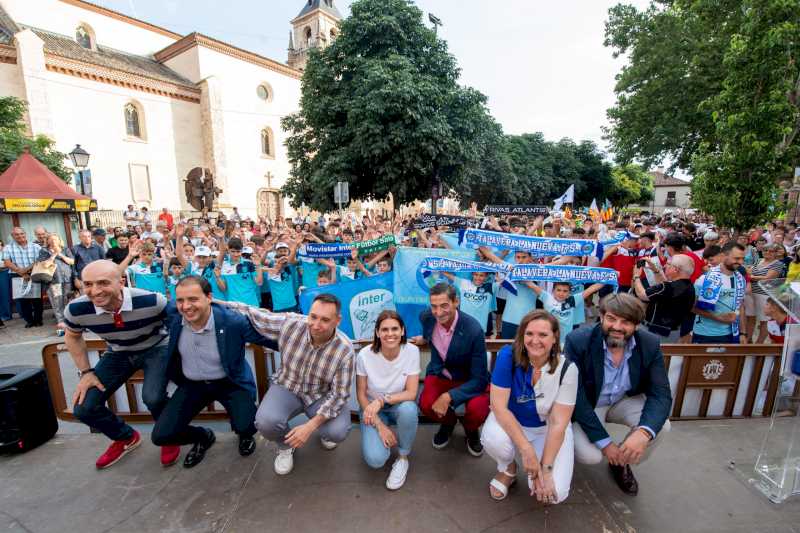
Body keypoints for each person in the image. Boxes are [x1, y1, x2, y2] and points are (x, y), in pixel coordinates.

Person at [150, 276, 277, 468]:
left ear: (209, 297)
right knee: (162, 435)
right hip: (193, 385)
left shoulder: (232, 322)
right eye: (181, 300)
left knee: (248, 424)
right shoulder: (173, 317)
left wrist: (315, 342)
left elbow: (269, 339)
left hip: (230, 382)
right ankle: (203, 437)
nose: (186, 306)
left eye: (193, 299)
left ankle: (243, 435)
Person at [222, 294, 355, 476]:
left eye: (325, 320)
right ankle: (285, 446)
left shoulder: (345, 350)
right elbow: (255, 313)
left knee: (337, 432)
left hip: (319, 395)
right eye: (313, 316)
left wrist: (309, 427)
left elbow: (340, 395)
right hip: (287, 386)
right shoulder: (291, 323)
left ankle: (324, 433)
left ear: (337, 321)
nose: (316, 325)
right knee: (265, 422)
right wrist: (213, 302)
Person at [63, 260, 176, 468]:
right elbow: (72, 336)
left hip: (156, 347)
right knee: (83, 408)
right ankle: (125, 437)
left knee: (153, 397)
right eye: (87, 284)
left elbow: (177, 326)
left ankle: (169, 435)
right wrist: (86, 372)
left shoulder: (152, 300)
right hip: (118, 352)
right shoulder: (76, 309)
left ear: (121, 282)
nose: (94, 291)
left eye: (103, 283)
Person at [565, 293, 672, 496]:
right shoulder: (578, 341)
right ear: (602, 316)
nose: (617, 327)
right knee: (590, 456)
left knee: (661, 427)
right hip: (591, 403)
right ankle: (573, 451)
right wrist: (605, 444)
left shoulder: (649, 343)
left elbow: (661, 394)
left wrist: (643, 433)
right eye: (611, 319)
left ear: (637, 325)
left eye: (626, 322)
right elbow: (576, 397)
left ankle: (621, 463)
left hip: (625, 399)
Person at [481, 310, 578, 504]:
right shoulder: (508, 355)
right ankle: (508, 469)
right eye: (529, 334)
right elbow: (498, 406)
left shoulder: (567, 368)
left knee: (554, 493)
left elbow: (559, 423)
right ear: (522, 335)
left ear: (555, 337)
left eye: (543, 335)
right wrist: (527, 450)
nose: (535, 340)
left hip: (547, 429)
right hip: (513, 420)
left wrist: (546, 468)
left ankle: (543, 464)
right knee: (494, 438)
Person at [413, 282, 490, 456]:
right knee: (426, 405)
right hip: (440, 373)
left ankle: (471, 429)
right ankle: (448, 422)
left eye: (444, 306)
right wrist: (425, 339)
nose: (438, 312)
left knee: (478, 410)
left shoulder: (474, 329)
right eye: (434, 306)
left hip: (469, 379)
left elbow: (479, 379)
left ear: (456, 302)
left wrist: (449, 397)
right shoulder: (427, 317)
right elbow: (427, 328)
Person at [356, 311, 420, 490]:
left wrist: (382, 400)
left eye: (394, 328)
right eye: (384, 329)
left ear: (402, 330)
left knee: (409, 409)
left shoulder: (411, 351)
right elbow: (361, 394)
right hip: (371, 410)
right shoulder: (364, 355)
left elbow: (411, 393)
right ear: (377, 332)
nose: (390, 333)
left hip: (398, 405)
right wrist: (380, 425)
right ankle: (380, 434)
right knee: (375, 460)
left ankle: (402, 457)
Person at [632, 254, 696, 341]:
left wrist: (636, 276)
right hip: (672, 332)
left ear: (676, 269)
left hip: (655, 332)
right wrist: (655, 270)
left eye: (669, 264)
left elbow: (642, 295)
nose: (665, 265)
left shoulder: (669, 287)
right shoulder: (689, 286)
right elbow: (665, 288)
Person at [693, 242, 747, 344]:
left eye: (742, 258)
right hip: (706, 334)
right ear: (723, 256)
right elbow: (692, 306)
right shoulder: (705, 278)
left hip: (732, 333)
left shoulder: (740, 278)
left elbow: (741, 306)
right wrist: (719, 317)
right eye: (736, 258)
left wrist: (743, 333)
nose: (740, 262)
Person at [2, 227, 43, 328]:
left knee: (36, 298)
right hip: (16, 274)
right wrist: (20, 272)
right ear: (13, 236)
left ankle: (38, 320)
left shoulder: (36, 246)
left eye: (22, 234)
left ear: (25, 234)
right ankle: (29, 321)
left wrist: (26, 270)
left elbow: (40, 260)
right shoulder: (8, 247)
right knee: (23, 300)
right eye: (17, 234)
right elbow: (7, 262)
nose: (20, 236)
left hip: (34, 273)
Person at [36, 234, 75, 336]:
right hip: (53, 281)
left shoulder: (65, 249)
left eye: (55, 239)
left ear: (59, 240)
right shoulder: (44, 251)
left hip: (67, 279)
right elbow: (45, 265)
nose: (53, 241)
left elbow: (72, 261)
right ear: (48, 241)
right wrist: (53, 255)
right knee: (57, 303)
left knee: (68, 301)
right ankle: (61, 325)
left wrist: (60, 254)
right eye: (51, 240)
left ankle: (71, 323)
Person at [747, 243, 785, 343]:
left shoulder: (778, 263)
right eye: (765, 250)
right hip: (751, 293)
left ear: (775, 253)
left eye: (771, 251)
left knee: (764, 320)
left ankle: (759, 343)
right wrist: (749, 275)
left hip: (764, 294)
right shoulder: (758, 260)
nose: (767, 252)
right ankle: (748, 340)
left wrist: (751, 277)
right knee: (750, 318)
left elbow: (768, 278)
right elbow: (749, 271)